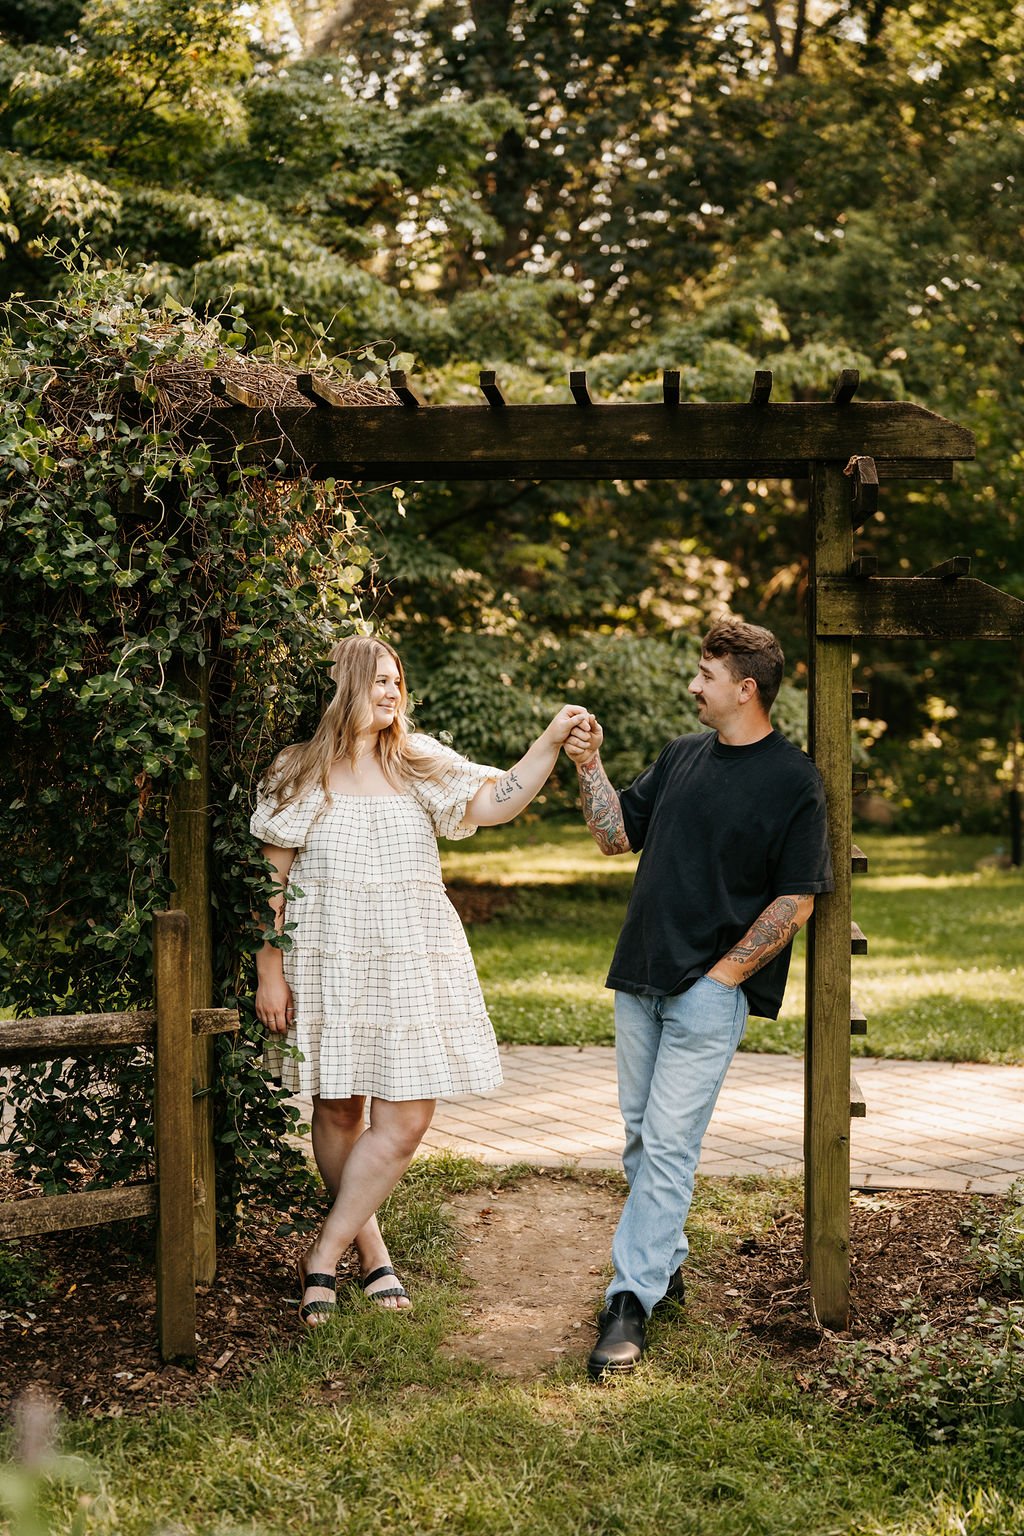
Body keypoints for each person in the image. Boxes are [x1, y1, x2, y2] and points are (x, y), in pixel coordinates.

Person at [251, 633, 589, 1326]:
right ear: (345, 685)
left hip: (411, 956)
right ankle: (370, 1253)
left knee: (406, 1119)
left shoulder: (417, 760)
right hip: (329, 957)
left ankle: (321, 1255)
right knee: (340, 1109)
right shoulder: (298, 771)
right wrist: (270, 973)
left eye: (396, 681)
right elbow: (271, 883)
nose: (391, 692)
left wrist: (551, 740)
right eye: (378, 680)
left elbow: (496, 799)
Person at [563, 618, 834, 1378]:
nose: (693, 686)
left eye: (706, 676)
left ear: (745, 688)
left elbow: (796, 899)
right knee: (641, 1140)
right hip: (639, 974)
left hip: (707, 994)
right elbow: (616, 836)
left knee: (671, 1146)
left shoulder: (793, 779)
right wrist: (590, 767)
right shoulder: (682, 755)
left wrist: (722, 978)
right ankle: (664, 1266)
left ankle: (628, 1302)